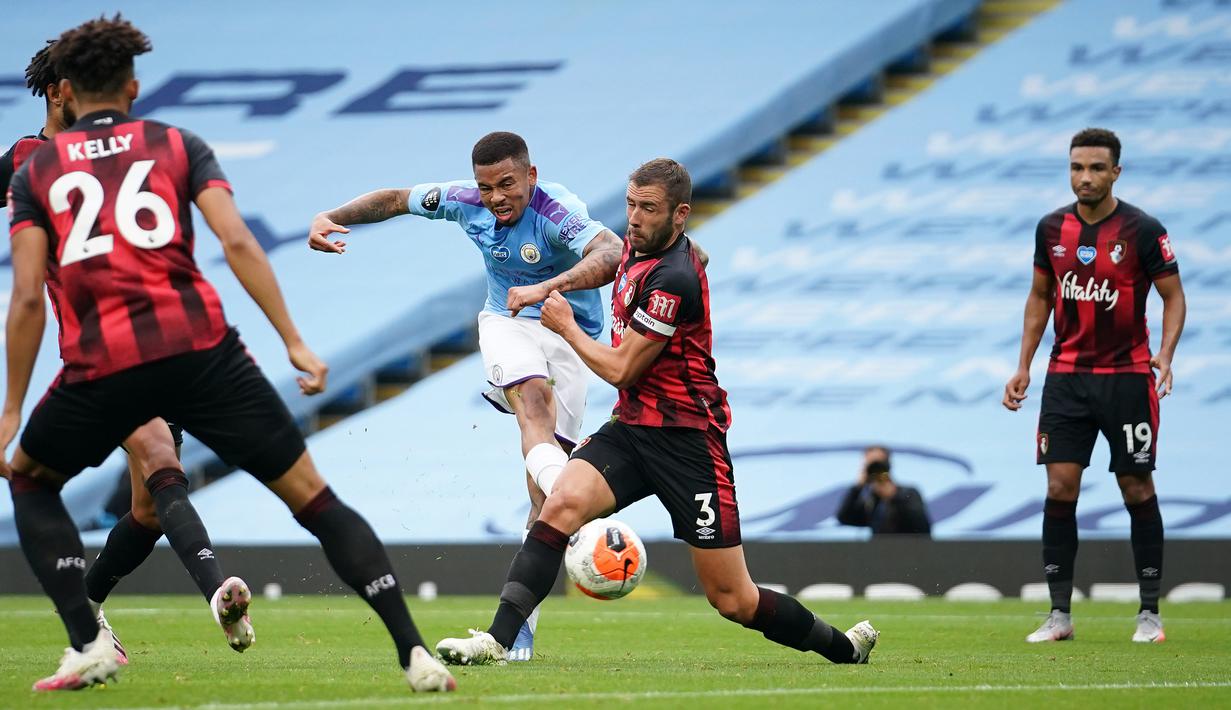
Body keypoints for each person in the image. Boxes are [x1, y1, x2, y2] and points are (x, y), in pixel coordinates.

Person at [3, 15, 454, 692]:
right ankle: (415, 654)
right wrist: (293, 341)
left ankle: (86, 636)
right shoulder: (176, 143)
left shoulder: (35, 170)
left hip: (104, 359)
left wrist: (10, 408)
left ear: (66, 89)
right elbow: (238, 243)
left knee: (32, 478)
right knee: (311, 497)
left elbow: (28, 297)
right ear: (133, 85)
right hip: (203, 350)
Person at [433, 158, 878, 667]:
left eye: (648, 209)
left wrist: (566, 326)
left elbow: (621, 370)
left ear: (680, 214)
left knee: (733, 599)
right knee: (557, 508)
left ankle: (844, 648)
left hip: (689, 442)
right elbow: (675, 258)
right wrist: (547, 287)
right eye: (631, 205)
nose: (635, 218)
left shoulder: (673, 279)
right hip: (632, 430)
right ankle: (499, 640)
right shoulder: (642, 248)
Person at [307, 131, 623, 660]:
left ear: (531, 176)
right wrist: (329, 215)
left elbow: (610, 250)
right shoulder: (464, 201)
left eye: (507, 184)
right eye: (486, 187)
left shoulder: (555, 211)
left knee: (545, 501)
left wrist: (548, 288)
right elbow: (394, 198)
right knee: (534, 404)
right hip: (507, 321)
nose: (496, 197)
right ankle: (586, 525)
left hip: (571, 335)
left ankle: (518, 629)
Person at [0, 37, 198, 661]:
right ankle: (216, 590)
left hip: (160, 341)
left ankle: (88, 609)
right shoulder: (27, 158)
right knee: (154, 468)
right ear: (61, 91)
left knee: (148, 508)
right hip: (97, 355)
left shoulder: (119, 153)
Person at [1003, 127, 1186, 645]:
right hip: (1066, 377)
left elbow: (1174, 297)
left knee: (1136, 487)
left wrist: (1165, 355)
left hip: (1127, 377)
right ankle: (1059, 614)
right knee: (1060, 486)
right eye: (1077, 168)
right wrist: (1024, 366)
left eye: (1096, 169)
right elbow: (1040, 296)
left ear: (1116, 173)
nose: (1085, 177)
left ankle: (1149, 614)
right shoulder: (1050, 228)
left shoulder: (1144, 230)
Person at [836, 446, 931, 536]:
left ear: (888, 465)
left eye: (878, 464)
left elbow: (922, 527)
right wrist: (858, 487)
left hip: (908, 550)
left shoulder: (909, 493)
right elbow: (844, 517)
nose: (875, 470)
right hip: (879, 551)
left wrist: (894, 497)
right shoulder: (872, 500)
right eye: (870, 464)